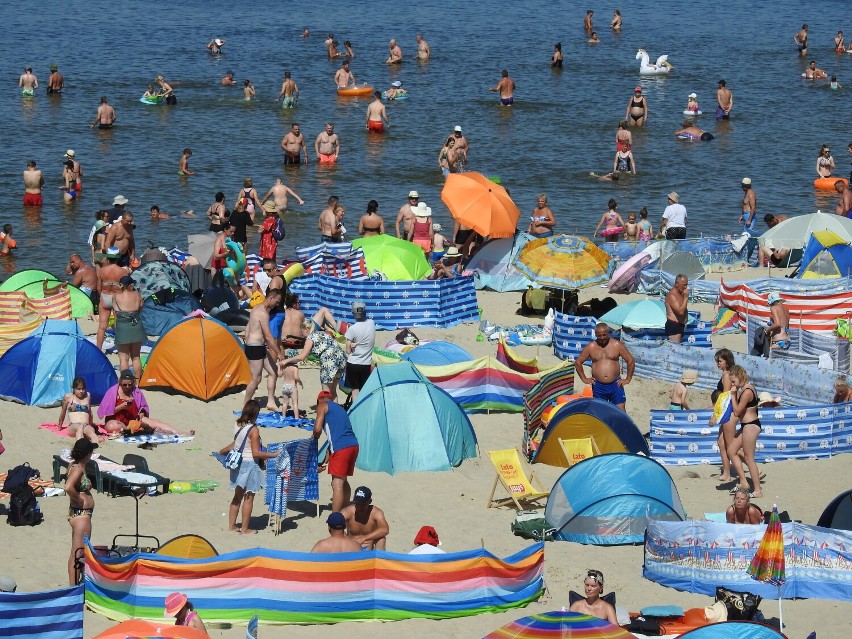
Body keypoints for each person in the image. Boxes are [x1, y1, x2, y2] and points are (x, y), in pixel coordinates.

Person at [219, 400, 278, 535]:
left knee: (237, 496)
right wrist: (273, 454)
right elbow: (256, 453)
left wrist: (223, 451)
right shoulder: (254, 430)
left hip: (238, 464)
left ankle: (232, 526)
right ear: (255, 413)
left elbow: (237, 443)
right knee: (249, 497)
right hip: (250, 464)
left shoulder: (237, 424)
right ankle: (244, 529)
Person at [311, 390, 359, 512]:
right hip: (353, 445)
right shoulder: (339, 409)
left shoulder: (322, 405)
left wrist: (313, 439)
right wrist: (327, 457)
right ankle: (346, 508)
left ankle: (336, 517)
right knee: (343, 479)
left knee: (336, 484)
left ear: (319, 400)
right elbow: (337, 435)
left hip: (341, 448)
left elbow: (317, 429)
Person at [99, 369, 186, 435]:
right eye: (124, 384)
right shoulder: (112, 392)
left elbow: (143, 407)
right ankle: (131, 430)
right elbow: (107, 412)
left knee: (156, 422)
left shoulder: (136, 392)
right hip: (116, 420)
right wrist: (122, 406)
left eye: (130, 384)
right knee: (111, 426)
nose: (127, 387)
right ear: (120, 382)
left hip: (133, 419)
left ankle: (180, 432)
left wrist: (142, 413)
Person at [574, 323, 635, 411]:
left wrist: (628, 379)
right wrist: (584, 379)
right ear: (595, 335)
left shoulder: (617, 345)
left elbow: (630, 360)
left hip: (616, 384)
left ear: (608, 333)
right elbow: (578, 362)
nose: (602, 337)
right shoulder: (591, 347)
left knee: (620, 412)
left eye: (604, 335)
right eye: (599, 335)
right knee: (600, 412)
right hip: (598, 386)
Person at [280, 319, 347, 397]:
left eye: (302, 332)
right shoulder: (322, 333)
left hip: (329, 360)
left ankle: (326, 408)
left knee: (326, 392)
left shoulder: (310, 337)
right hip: (341, 359)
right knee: (333, 392)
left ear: (306, 330)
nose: (302, 335)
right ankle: (335, 408)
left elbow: (302, 356)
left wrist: (286, 361)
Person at [726, 365, 763, 498]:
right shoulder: (744, 389)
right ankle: (743, 482)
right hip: (745, 426)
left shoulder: (747, 391)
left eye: (734, 381)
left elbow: (737, 411)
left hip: (751, 426)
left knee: (748, 457)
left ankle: (758, 490)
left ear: (740, 377)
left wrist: (733, 395)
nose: (733, 384)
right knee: (731, 451)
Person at [243, 288, 283, 410]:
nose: (277, 304)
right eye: (276, 301)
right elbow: (269, 338)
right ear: (270, 298)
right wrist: (279, 353)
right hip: (255, 347)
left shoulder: (257, 308)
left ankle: (270, 401)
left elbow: (248, 327)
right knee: (256, 379)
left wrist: (246, 340)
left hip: (257, 346)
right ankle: (245, 405)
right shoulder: (263, 313)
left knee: (273, 372)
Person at [66, 438, 97, 585]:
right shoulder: (78, 469)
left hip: (77, 514)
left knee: (75, 554)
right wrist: (79, 500)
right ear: (88, 454)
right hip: (81, 515)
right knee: (78, 554)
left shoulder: (73, 465)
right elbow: (68, 487)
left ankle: (73, 586)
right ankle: (73, 588)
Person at [710, 349, 736, 482]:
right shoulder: (727, 374)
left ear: (727, 361)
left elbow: (725, 398)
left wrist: (715, 415)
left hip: (727, 412)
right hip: (726, 412)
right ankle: (726, 472)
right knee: (722, 442)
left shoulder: (727, 376)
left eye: (720, 361)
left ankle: (754, 467)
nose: (718, 364)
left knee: (731, 445)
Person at [344, 301, 376, 407]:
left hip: (353, 363)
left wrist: (352, 344)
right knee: (363, 389)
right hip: (366, 363)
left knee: (355, 390)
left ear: (353, 312)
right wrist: (356, 343)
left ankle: (355, 410)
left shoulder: (352, 329)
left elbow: (348, 350)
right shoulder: (371, 323)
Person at [96, 248, 128, 350]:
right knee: (118, 326)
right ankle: (120, 349)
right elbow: (125, 288)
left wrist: (102, 296)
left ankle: (98, 349)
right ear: (117, 258)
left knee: (102, 327)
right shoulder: (123, 271)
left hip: (105, 297)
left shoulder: (101, 271)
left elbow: (98, 288)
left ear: (108, 258)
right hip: (117, 298)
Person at [58, 377, 99, 444]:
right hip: (73, 425)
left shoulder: (87, 396)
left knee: (92, 432)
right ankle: (81, 446)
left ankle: (95, 446)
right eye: (79, 389)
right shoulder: (68, 397)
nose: (81, 391)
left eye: (83, 389)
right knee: (80, 427)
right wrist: (59, 426)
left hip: (86, 425)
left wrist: (91, 424)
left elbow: (90, 413)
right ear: (74, 388)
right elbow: (63, 413)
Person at [664, 274, 689, 343]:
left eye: (686, 285)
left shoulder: (680, 294)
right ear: (677, 284)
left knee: (679, 350)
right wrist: (686, 298)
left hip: (681, 325)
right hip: (674, 326)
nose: (686, 287)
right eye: (684, 285)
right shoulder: (672, 295)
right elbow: (680, 312)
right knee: (675, 350)